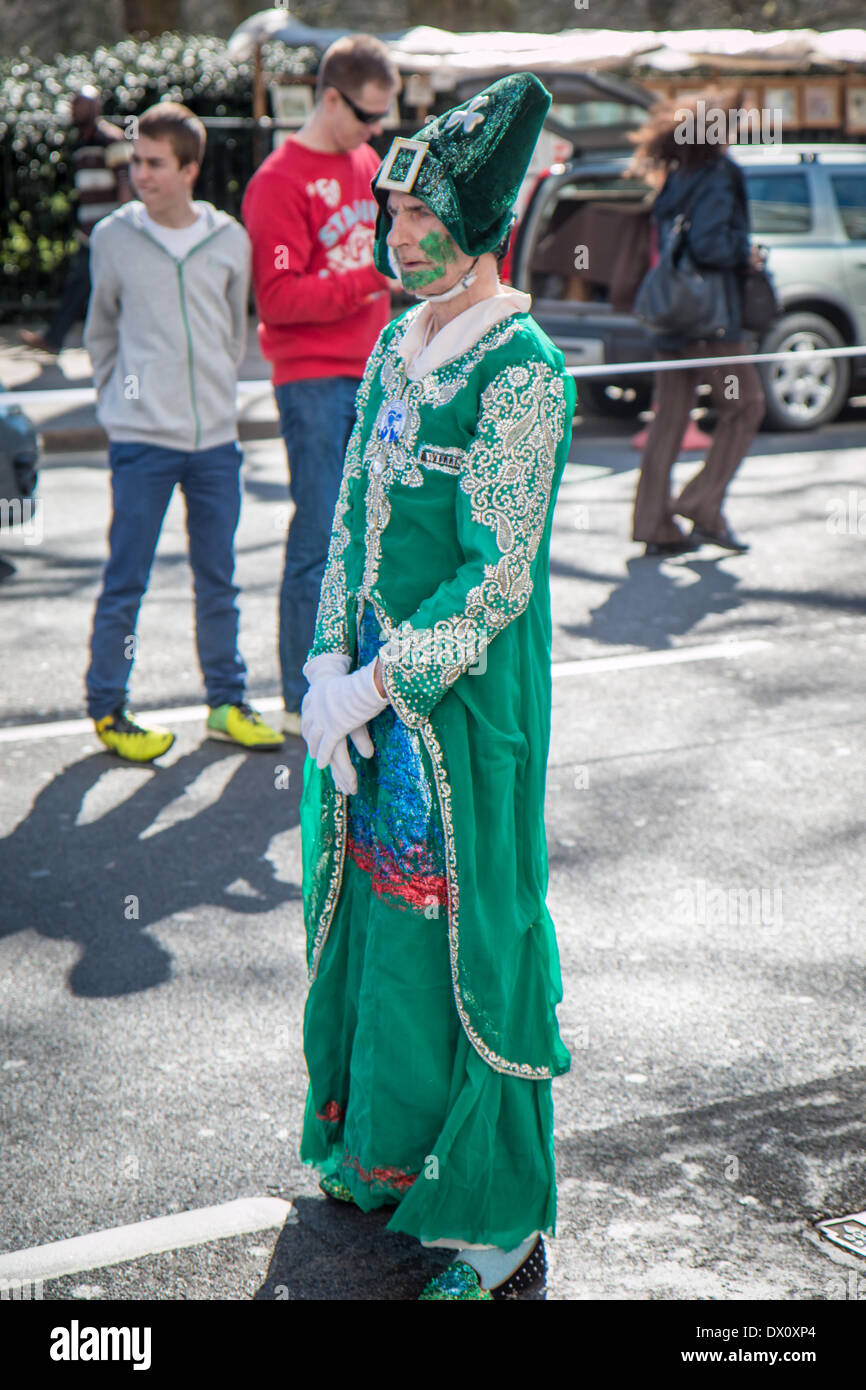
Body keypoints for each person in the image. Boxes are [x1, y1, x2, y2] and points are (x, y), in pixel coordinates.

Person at [297, 72, 576, 1300]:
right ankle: (396, 1156)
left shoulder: (524, 372)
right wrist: (319, 657)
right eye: (388, 208)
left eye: (418, 215)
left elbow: (495, 580)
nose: (393, 235)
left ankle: (497, 1218)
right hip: (367, 686)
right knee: (382, 915)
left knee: (475, 926)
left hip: (460, 710)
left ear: (478, 226)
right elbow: (352, 508)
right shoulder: (394, 343)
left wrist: (373, 683)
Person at [83, 102, 283, 762]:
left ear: (190, 169)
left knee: (218, 578)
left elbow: (232, 329)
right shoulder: (113, 237)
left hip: (214, 442)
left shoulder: (228, 239)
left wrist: (216, 394)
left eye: (155, 164)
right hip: (141, 440)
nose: (140, 173)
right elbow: (102, 331)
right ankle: (109, 708)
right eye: (137, 161)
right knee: (127, 579)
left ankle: (226, 703)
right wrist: (120, 399)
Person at [242, 36, 400, 737]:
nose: (376, 131)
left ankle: (350, 690)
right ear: (330, 97)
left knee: (374, 537)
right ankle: (295, 700)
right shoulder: (278, 180)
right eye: (366, 115)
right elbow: (276, 299)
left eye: (382, 118)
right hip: (312, 381)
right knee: (317, 540)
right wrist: (371, 279)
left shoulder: (364, 160)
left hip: (373, 372)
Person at [630, 93, 766, 557]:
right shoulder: (720, 174)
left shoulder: (675, 178)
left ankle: (654, 524)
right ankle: (701, 505)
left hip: (673, 319)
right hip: (712, 327)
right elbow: (709, 246)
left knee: (668, 420)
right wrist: (743, 254)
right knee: (745, 406)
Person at [20, 86, 131, 356]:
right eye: (73, 105)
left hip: (109, 229)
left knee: (94, 283)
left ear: (95, 108)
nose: (74, 110)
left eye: (80, 105)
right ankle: (56, 338)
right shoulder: (82, 143)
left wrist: (125, 224)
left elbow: (126, 181)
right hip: (89, 230)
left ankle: (57, 338)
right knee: (83, 283)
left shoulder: (111, 139)